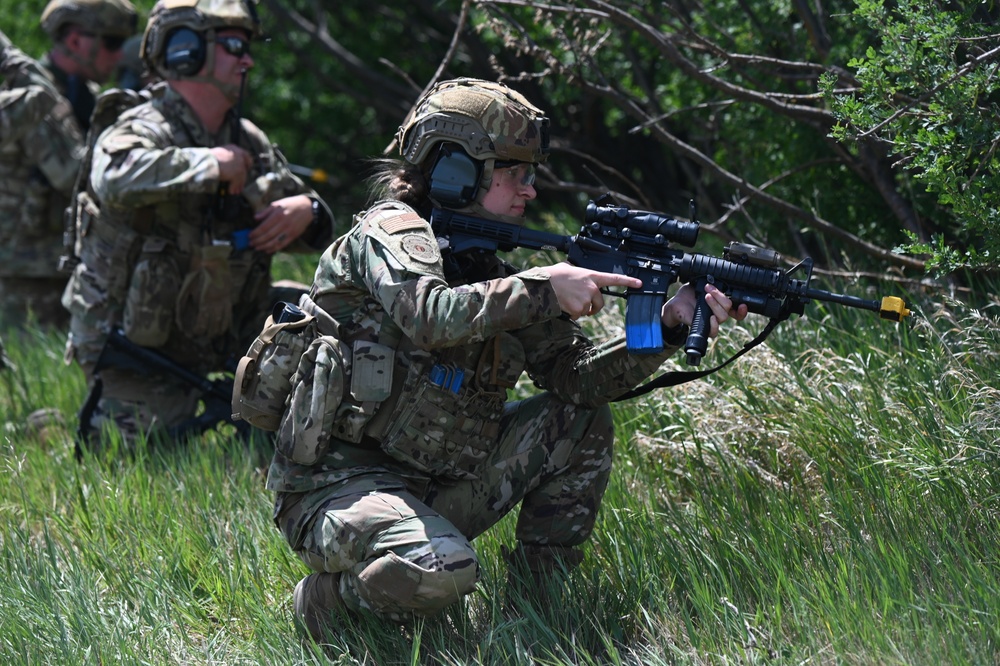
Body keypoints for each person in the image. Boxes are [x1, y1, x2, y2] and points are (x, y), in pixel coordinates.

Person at [265, 77, 748, 640]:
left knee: (577, 419)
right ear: (456, 171)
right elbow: (429, 312)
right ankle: (324, 604)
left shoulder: (494, 271)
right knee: (444, 571)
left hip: (432, 485)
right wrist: (544, 287)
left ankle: (538, 612)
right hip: (335, 489)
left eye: (532, 174)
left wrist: (665, 328)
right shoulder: (387, 232)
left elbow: (579, 381)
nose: (531, 191)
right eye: (515, 173)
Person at [62, 0, 334, 444]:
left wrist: (308, 211)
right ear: (183, 51)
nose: (247, 59)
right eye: (233, 45)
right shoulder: (141, 127)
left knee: (324, 312)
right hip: (141, 348)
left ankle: (274, 422)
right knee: (128, 450)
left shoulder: (246, 138)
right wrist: (209, 165)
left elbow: (310, 224)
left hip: (222, 327)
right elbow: (111, 175)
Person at [0, 1, 137, 329]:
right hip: (24, 275)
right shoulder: (32, 95)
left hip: (66, 266)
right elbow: (71, 174)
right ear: (76, 41)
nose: (119, 55)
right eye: (112, 42)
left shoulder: (85, 95)